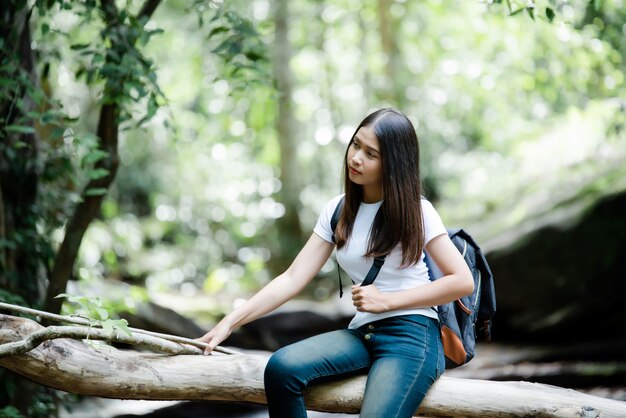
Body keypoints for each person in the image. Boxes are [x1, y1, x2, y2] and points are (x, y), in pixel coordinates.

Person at [197, 108, 474, 418]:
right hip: (363, 332)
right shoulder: (338, 209)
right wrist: (229, 322)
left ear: (394, 164)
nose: (356, 158)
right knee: (282, 369)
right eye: (356, 145)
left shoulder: (417, 211)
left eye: (371, 154)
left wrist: (388, 301)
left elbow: (462, 281)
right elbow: (292, 278)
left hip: (413, 336)